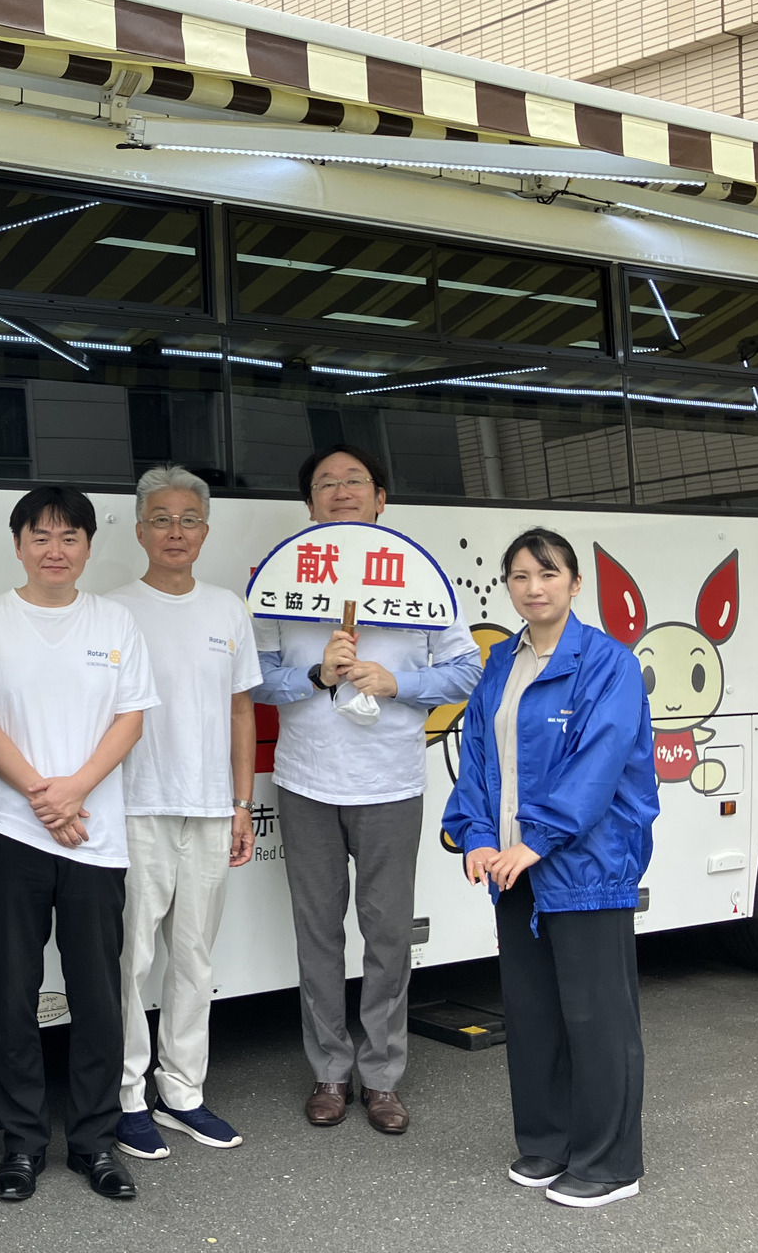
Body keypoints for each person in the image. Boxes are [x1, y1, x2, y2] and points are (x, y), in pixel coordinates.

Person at [251, 445, 482, 1134]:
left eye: (356, 480)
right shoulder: (284, 576)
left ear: (382, 498)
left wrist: (398, 682)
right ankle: (330, 1069)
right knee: (317, 933)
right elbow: (252, 676)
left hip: (390, 782)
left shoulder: (417, 576)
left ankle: (382, 1077)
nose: (342, 490)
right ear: (310, 503)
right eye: (327, 483)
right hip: (306, 781)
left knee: (386, 935)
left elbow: (467, 670)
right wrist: (315, 676)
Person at [0, 486, 160, 1204]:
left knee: (98, 995)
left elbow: (130, 720)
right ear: (18, 545)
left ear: (89, 547)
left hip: (95, 837)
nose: (54, 550)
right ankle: (22, 1142)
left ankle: (95, 1142)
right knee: (12, 991)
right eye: (40, 536)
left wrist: (75, 791)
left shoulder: (115, 621)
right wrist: (46, 798)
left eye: (70, 537)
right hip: (11, 832)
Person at [442, 528, 657, 1209]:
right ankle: (548, 1141)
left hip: (586, 865)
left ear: (575, 583)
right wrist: (477, 836)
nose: (533, 588)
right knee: (534, 1014)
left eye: (548, 574)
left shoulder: (608, 664)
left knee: (597, 1018)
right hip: (513, 866)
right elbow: (477, 754)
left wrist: (534, 841)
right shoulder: (501, 662)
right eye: (520, 576)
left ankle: (611, 1162)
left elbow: (599, 764)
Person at [104, 466, 260, 1162]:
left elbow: (240, 710)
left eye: (188, 519)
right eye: (162, 519)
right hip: (135, 807)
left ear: (205, 530)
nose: (176, 531)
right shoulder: (111, 610)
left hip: (209, 808)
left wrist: (241, 803)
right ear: (140, 530)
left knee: (194, 958)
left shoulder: (227, 609)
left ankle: (183, 1091)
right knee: (130, 959)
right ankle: (126, 1096)